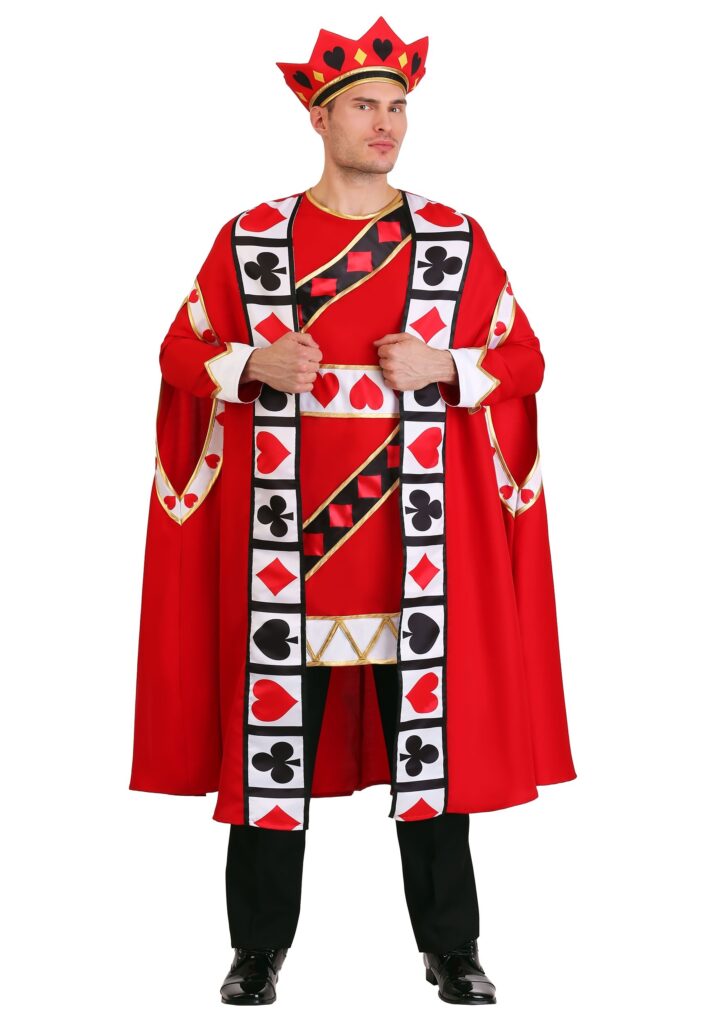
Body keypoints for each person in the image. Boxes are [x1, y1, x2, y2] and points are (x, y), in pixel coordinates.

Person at [129, 14, 577, 1007]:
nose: (386, 124)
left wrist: (447, 366)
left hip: (417, 556)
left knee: (433, 765)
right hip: (285, 556)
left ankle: (451, 948)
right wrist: (248, 362)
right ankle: (257, 951)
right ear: (319, 118)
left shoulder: (453, 238)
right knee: (269, 765)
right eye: (365, 106)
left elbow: (526, 361)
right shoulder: (252, 238)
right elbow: (176, 353)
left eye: (398, 107)